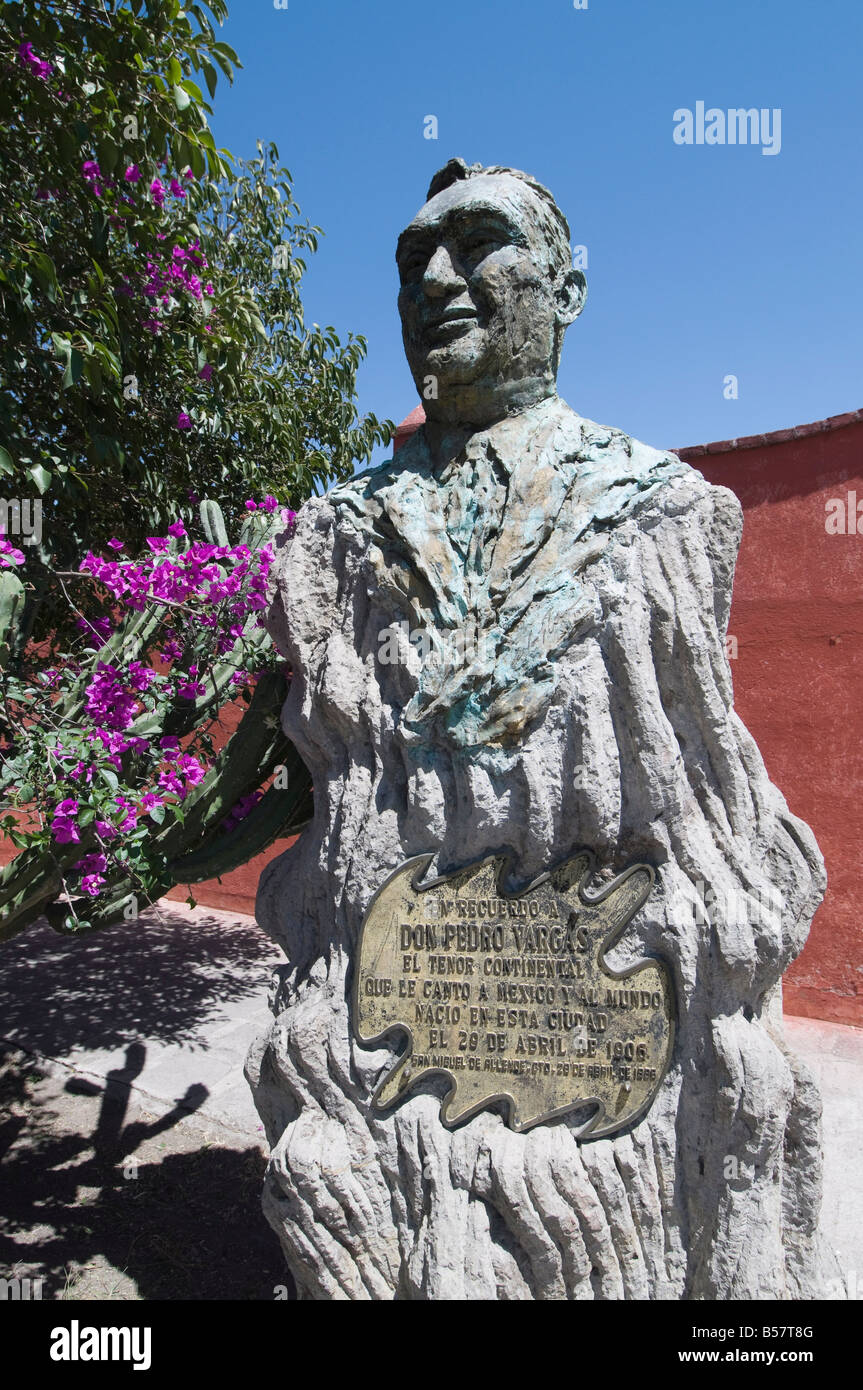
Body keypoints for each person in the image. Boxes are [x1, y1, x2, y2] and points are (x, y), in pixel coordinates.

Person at [250, 160, 828, 1301]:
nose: (436, 277)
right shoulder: (333, 534)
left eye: (477, 243)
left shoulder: (660, 506)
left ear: (563, 288)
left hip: (606, 1076)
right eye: (413, 258)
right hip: (403, 1024)